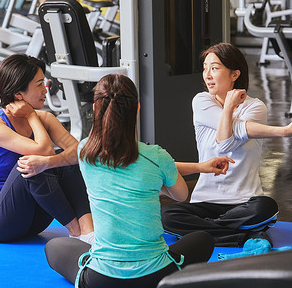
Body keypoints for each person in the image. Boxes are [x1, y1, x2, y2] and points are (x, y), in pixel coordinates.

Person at [45, 74, 234, 288]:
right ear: (136, 109)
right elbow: (181, 195)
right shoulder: (156, 156)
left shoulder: (85, 151)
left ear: (96, 109)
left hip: (102, 280)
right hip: (157, 276)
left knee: (54, 247)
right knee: (203, 239)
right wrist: (157, 183)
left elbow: (129, 163)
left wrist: (197, 167)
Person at [162, 42, 292, 247]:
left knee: (266, 208)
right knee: (167, 214)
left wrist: (229, 107)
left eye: (214, 67)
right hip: (205, 201)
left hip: (246, 202)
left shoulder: (256, 107)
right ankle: (241, 237)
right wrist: (282, 131)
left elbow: (225, 142)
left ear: (234, 74)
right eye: (205, 68)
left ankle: (204, 230)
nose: (207, 75)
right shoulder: (201, 101)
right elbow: (227, 140)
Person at [0, 54, 94, 244]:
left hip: (34, 220)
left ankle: (88, 231)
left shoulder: (45, 119)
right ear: (18, 95)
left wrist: (53, 161)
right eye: (39, 84)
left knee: (67, 160)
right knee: (31, 165)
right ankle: (75, 230)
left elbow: (79, 154)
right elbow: (43, 151)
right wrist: (31, 115)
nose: (45, 89)